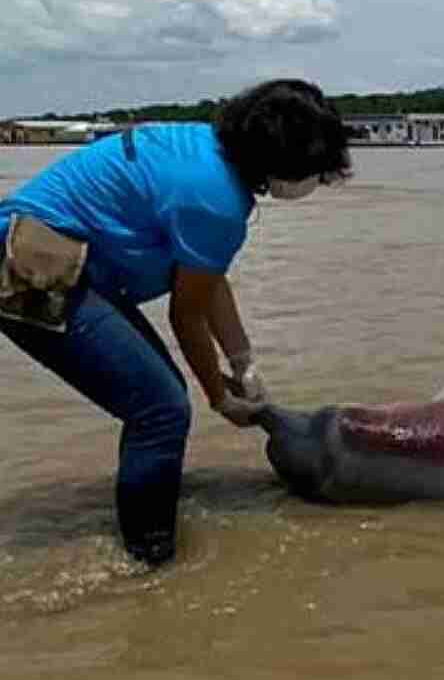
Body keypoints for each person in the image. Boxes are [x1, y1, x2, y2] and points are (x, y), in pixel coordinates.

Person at [0, 79, 351, 565]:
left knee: (159, 398)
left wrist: (242, 360)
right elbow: (185, 313)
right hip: (32, 263)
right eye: (313, 169)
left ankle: (142, 532)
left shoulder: (205, 152)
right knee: (161, 410)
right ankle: (149, 562)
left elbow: (207, 279)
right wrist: (219, 395)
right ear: (283, 159)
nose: (314, 181)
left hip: (51, 254)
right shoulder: (215, 199)